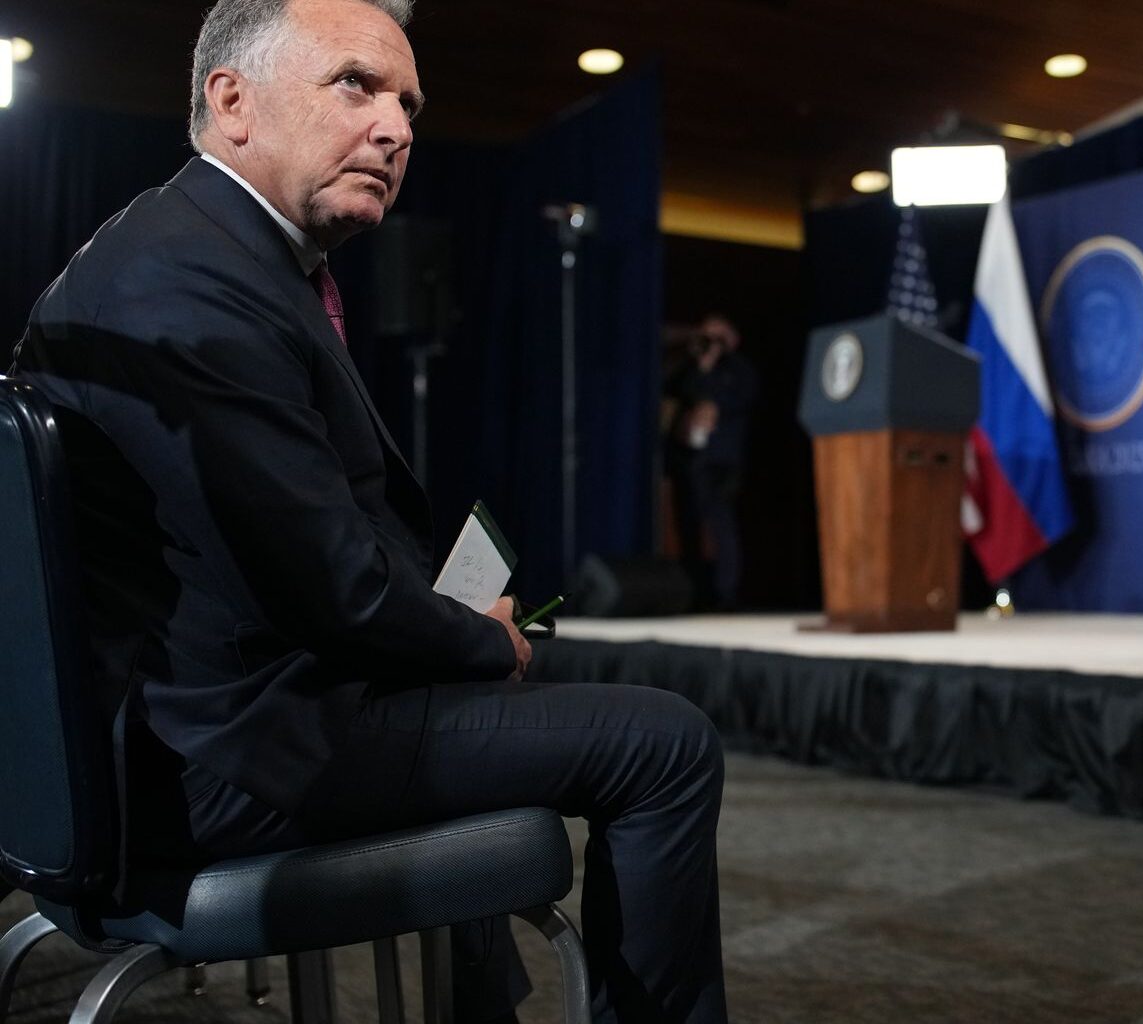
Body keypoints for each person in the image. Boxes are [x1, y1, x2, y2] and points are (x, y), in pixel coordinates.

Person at [8, 1, 726, 1020]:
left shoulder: (194, 250)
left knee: (478, 687)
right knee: (667, 741)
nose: (397, 129)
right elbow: (329, 592)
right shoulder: (189, 287)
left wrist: (448, 637)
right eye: (357, 84)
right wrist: (486, 644)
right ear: (232, 101)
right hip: (220, 759)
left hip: (209, 719)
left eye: (408, 104)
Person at [665, 314, 757, 610]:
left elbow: (742, 398)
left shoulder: (738, 369)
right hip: (690, 458)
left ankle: (725, 594)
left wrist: (713, 366)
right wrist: (699, 360)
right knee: (688, 525)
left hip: (722, 461)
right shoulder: (692, 369)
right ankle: (695, 592)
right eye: (707, 336)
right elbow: (672, 388)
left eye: (718, 337)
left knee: (721, 525)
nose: (711, 343)